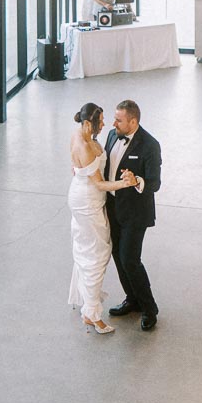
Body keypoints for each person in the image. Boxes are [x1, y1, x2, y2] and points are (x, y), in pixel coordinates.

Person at [68, 102, 140, 334]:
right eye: (100, 122)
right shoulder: (87, 146)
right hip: (89, 201)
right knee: (96, 256)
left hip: (83, 195)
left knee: (87, 250)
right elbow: (99, 183)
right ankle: (92, 314)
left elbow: (77, 166)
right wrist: (125, 183)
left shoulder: (81, 134)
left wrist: (80, 171)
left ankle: (90, 307)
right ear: (89, 123)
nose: (105, 124)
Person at [104, 98, 162, 332]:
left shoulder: (150, 145)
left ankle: (149, 309)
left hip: (136, 213)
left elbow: (155, 183)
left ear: (133, 121)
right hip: (113, 208)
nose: (113, 122)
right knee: (117, 255)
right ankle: (132, 299)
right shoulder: (111, 135)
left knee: (130, 259)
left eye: (118, 120)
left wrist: (136, 180)